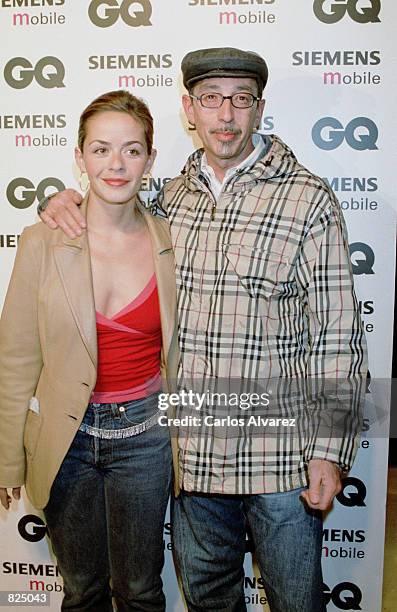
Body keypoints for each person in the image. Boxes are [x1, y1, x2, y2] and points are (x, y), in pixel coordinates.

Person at [37, 48, 367, 612]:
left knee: (296, 601)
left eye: (241, 100)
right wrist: (60, 202)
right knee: (209, 600)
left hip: (281, 459)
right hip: (195, 458)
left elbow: (338, 334)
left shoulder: (309, 199)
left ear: (259, 108)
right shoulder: (169, 199)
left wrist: (329, 452)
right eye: (211, 99)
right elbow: (108, 203)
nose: (226, 115)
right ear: (189, 108)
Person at [0, 90, 179, 612]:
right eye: (100, 150)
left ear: (150, 157)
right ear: (79, 158)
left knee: (142, 590)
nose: (116, 164)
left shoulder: (175, 238)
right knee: (81, 591)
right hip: (65, 439)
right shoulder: (41, 241)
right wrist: (8, 459)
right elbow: (15, 359)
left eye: (131, 149)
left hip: (147, 438)